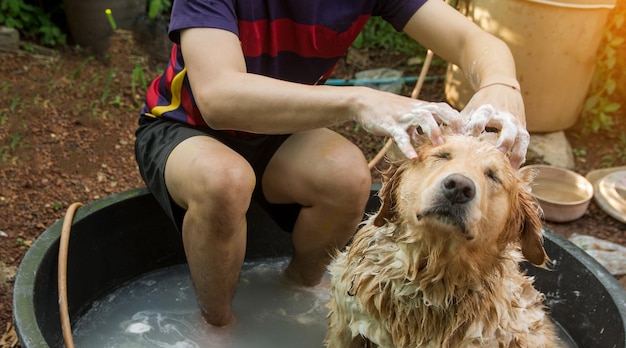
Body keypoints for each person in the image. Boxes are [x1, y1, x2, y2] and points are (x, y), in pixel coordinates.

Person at [135, 0, 530, 327]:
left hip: (278, 129)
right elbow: (219, 98)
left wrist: (500, 83)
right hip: (185, 126)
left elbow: (470, 39)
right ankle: (217, 325)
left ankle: (299, 288)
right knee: (225, 180)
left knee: (347, 176)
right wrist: (358, 100)